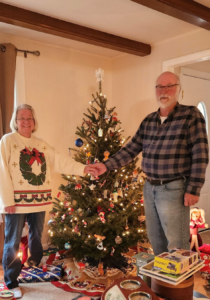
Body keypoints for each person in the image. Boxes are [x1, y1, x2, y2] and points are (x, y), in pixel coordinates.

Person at [92, 71, 209, 256]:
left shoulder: (190, 115)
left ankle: (179, 284)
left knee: (177, 244)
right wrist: (106, 165)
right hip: (149, 187)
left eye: (169, 86)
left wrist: (194, 188)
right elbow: (131, 149)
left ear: (178, 89)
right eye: (160, 87)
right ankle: (162, 282)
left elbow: (200, 153)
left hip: (174, 188)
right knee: (156, 240)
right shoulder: (149, 121)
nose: (164, 91)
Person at [0, 104, 98, 299]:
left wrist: (83, 169)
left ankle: (34, 266)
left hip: (39, 200)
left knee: (37, 235)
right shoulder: (8, 141)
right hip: (16, 202)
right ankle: (11, 281)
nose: (26, 121)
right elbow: (2, 171)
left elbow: (60, 161)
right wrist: (7, 200)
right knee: (12, 242)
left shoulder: (41, 144)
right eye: (22, 118)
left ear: (34, 122)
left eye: (29, 118)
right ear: (16, 121)